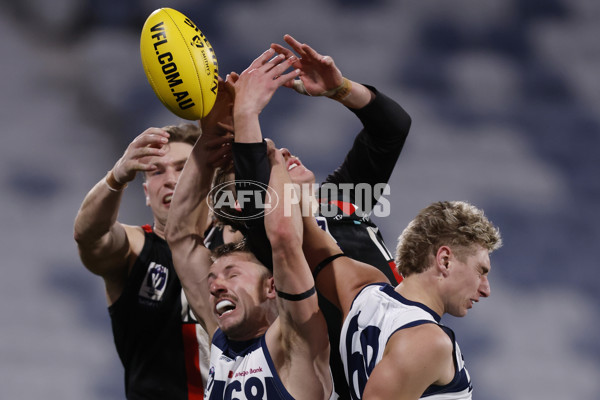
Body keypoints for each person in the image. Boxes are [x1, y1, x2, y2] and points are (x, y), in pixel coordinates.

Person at [221, 34, 411, 398]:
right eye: (269, 157)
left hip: (412, 350)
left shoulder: (340, 198)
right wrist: (244, 114)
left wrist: (339, 88)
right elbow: (261, 203)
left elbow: (392, 129)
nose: (283, 151)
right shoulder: (272, 243)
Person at [165, 51, 335, 399]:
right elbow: (181, 235)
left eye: (230, 274)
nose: (214, 286)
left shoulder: (296, 339)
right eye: (213, 279)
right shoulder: (221, 341)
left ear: (272, 287)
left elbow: (284, 239)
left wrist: (255, 132)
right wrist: (209, 137)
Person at [73, 122, 231, 399]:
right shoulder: (135, 249)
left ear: (210, 179)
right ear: (146, 194)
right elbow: (89, 236)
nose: (171, 179)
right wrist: (117, 177)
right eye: (157, 171)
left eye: (183, 168)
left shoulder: (240, 249)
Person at [300, 200, 502, 399]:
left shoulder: (362, 288)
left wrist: (292, 190)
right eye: (480, 271)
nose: (486, 289)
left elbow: (303, 234)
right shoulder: (428, 342)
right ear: (445, 260)